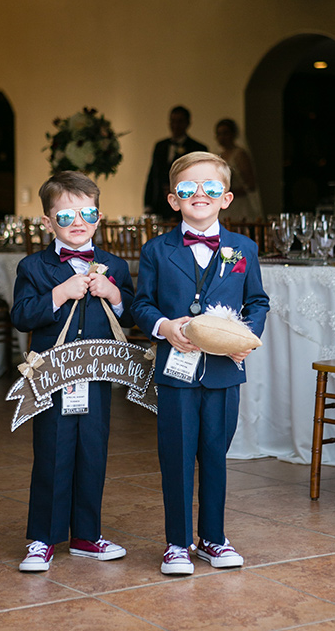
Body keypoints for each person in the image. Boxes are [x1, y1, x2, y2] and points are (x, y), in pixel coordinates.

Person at [132, 151, 269, 575]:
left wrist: (246, 339)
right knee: (176, 454)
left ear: (225, 198)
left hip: (226, 371)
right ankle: (177, 543)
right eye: (189, 189)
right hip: (176, 370)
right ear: (174, 200)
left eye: (210, 188)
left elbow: (258, 302)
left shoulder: (243, 248)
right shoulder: (156, 250)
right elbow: (141, 304)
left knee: (214, 452)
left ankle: (213, 537)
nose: (200, 195)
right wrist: (162, 327)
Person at [11, 171, 134, 572]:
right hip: (52, 377)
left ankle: (86, 535)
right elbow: (21, 316)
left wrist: (114, 294)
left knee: (92, 451)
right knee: (52, 451)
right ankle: (43, 538)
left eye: (87, 213)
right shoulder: (34, 266)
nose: (77, 222)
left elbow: (133, 312)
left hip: (97, 375)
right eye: (65, 216)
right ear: (47, 222)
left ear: (99, 217)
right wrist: (59, 293)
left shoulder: (114, 265)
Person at [144, 106, 208, 218]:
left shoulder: (198, 148)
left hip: (185, 205)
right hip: (160, 205)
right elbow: (152, 175)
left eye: (180, 121)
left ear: (187, 123)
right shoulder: (160, 146)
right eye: (172, 121)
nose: (175, 125)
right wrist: (148, 204)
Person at [215, 118, 263, 221]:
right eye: (219, 134)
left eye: (225, 133)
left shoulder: (239, 154)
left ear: (233, 134)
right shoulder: (219, 156)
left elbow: (251, 184)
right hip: (223, 204)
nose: (222, 137)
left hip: (238, 203)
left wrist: (230, 191)